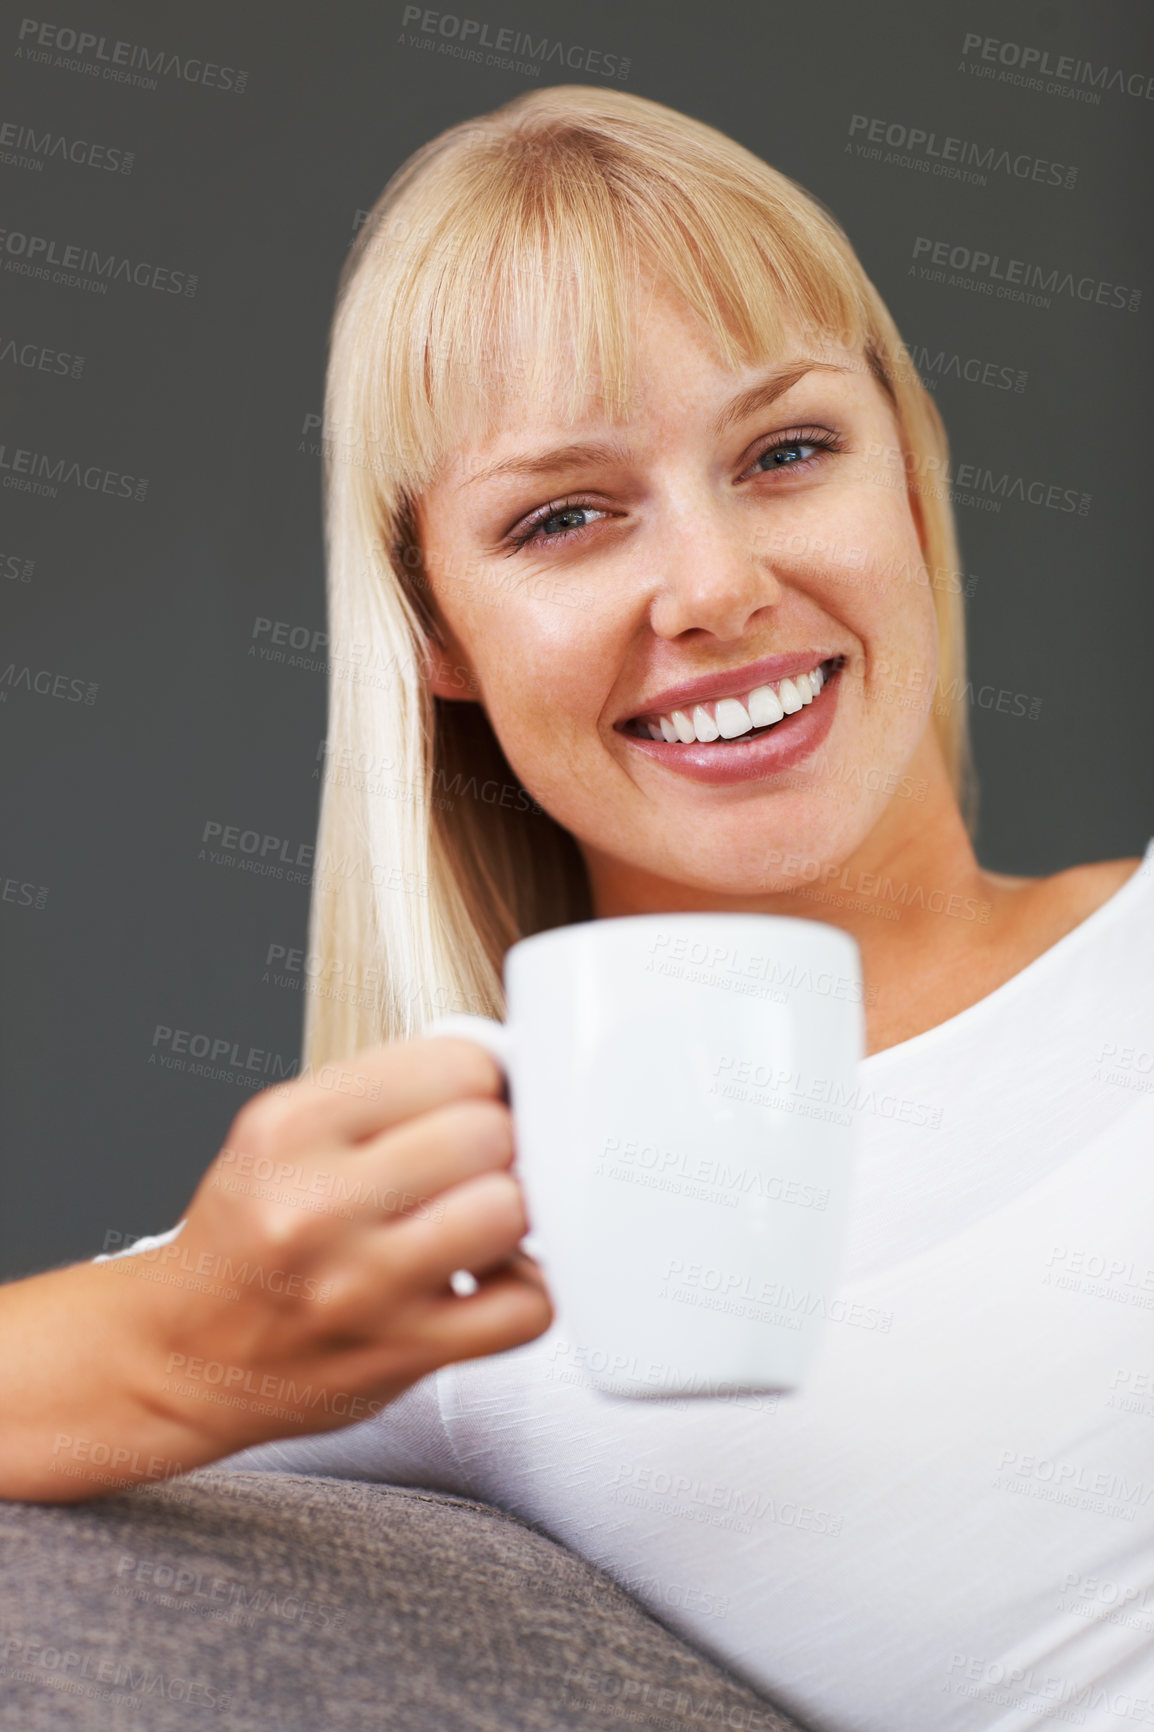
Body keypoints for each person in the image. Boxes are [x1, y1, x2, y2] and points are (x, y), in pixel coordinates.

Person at [2, 85, 1151, 1732]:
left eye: (785, 453)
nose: (714, 587)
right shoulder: (482, 1215)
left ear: (907, 479)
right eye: (563, 516)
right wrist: (192, 1340)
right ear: (438, 634)